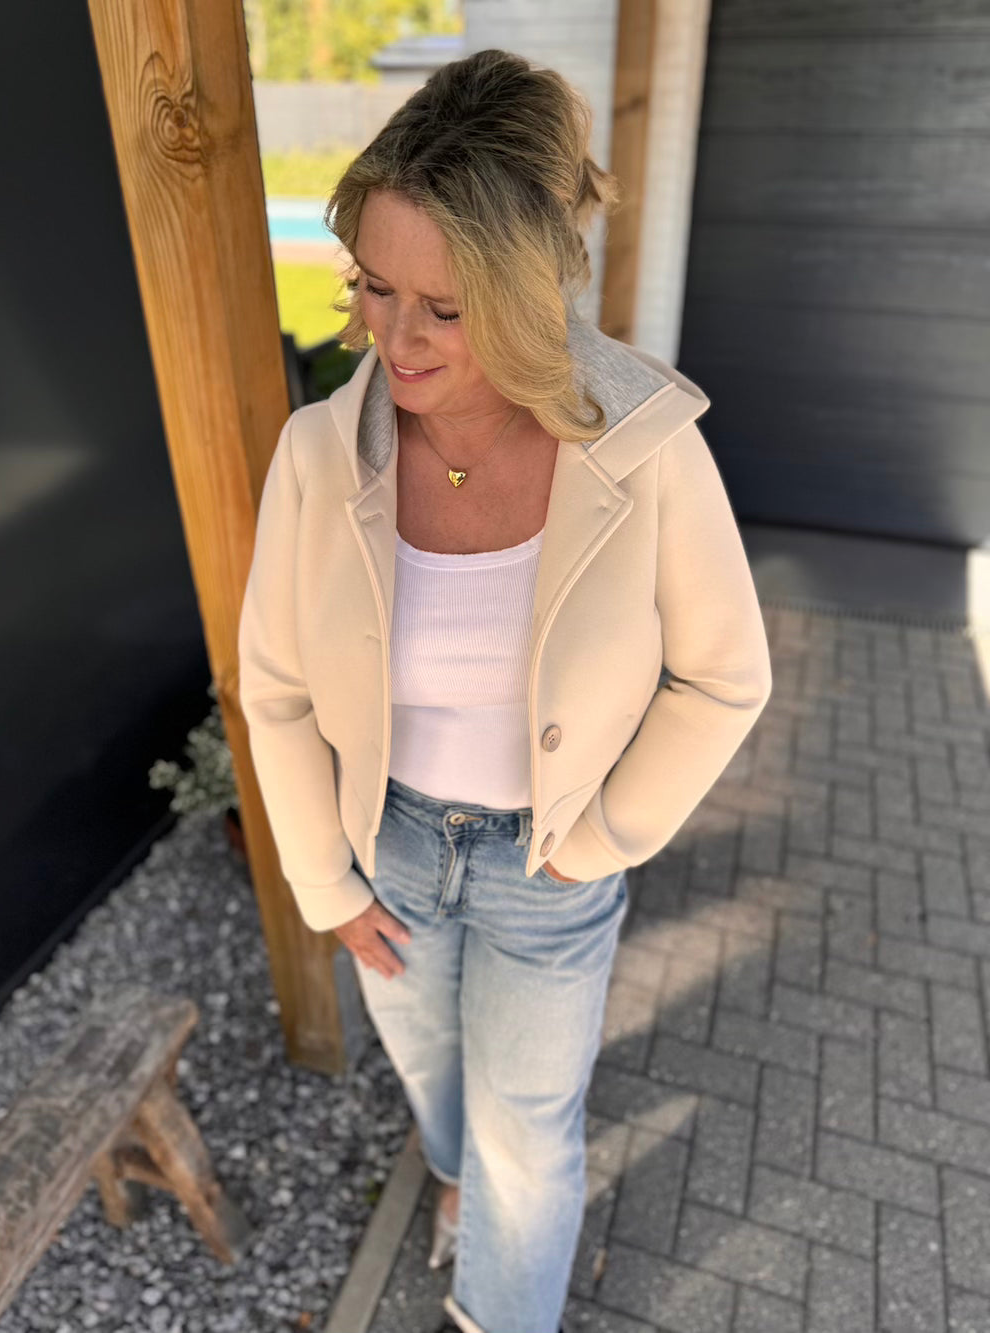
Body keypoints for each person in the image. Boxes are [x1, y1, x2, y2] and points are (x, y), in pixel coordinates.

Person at [238, 47, 773, 1333]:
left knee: (530, 1133)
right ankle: (447, 1176)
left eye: (445, 305)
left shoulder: (642, 449)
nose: (394, 337)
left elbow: (722, 674)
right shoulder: (318, 454)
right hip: (389, 845)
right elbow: (276, 687)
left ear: (529, 293)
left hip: (550, 859)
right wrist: (324, 880)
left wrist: (599, 839)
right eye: (373, 287)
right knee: (435, 1080)